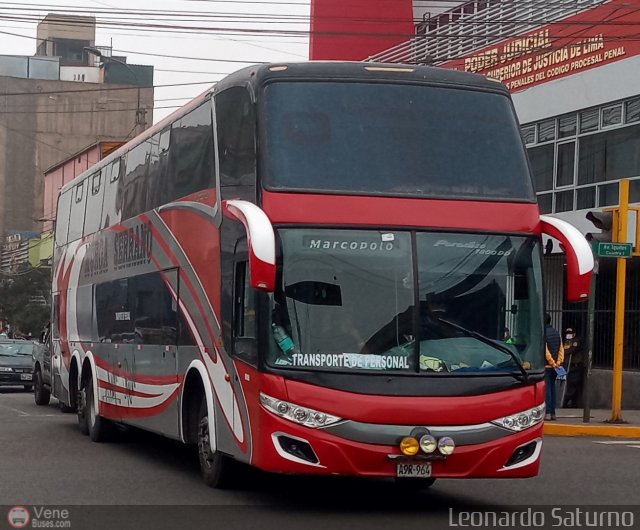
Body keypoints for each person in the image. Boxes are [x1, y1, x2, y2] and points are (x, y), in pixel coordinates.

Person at [544, 313, 564, 421]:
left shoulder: (543, 334)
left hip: (547, 366)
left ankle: (547, 412)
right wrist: (558, 363)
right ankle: (553, 412)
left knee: (547, 389)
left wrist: (551, 362)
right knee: (553, 388)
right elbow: (561, 349)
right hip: (556, 367)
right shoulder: (556, 333)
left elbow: (545, 351)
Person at [562, 327, 585, 408]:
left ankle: (565, 402)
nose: (568, 335)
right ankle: (574, 403)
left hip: (576, 366)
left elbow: (569, 350)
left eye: (570, 333)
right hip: (570, 366)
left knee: (573, 384)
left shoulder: (576, 341)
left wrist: (563, 350)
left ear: (574, 334)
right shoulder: (568, 341)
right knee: (572, 384)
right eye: (567, 334)